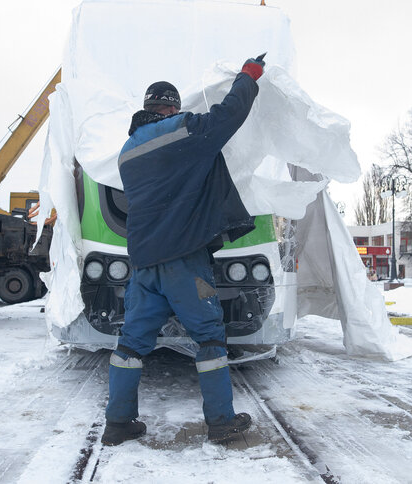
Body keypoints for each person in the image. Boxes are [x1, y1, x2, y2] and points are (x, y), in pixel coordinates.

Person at [102, 54, 266, 446]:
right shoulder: (183, 131)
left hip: (143, 263)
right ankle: (222, 422)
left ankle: (118, 423)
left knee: (131, 344)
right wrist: (248, 77)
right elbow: (229, 115)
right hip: (184, 262)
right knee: (209, 337)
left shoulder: (126, 153)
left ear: (146, 109)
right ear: (173, 108)